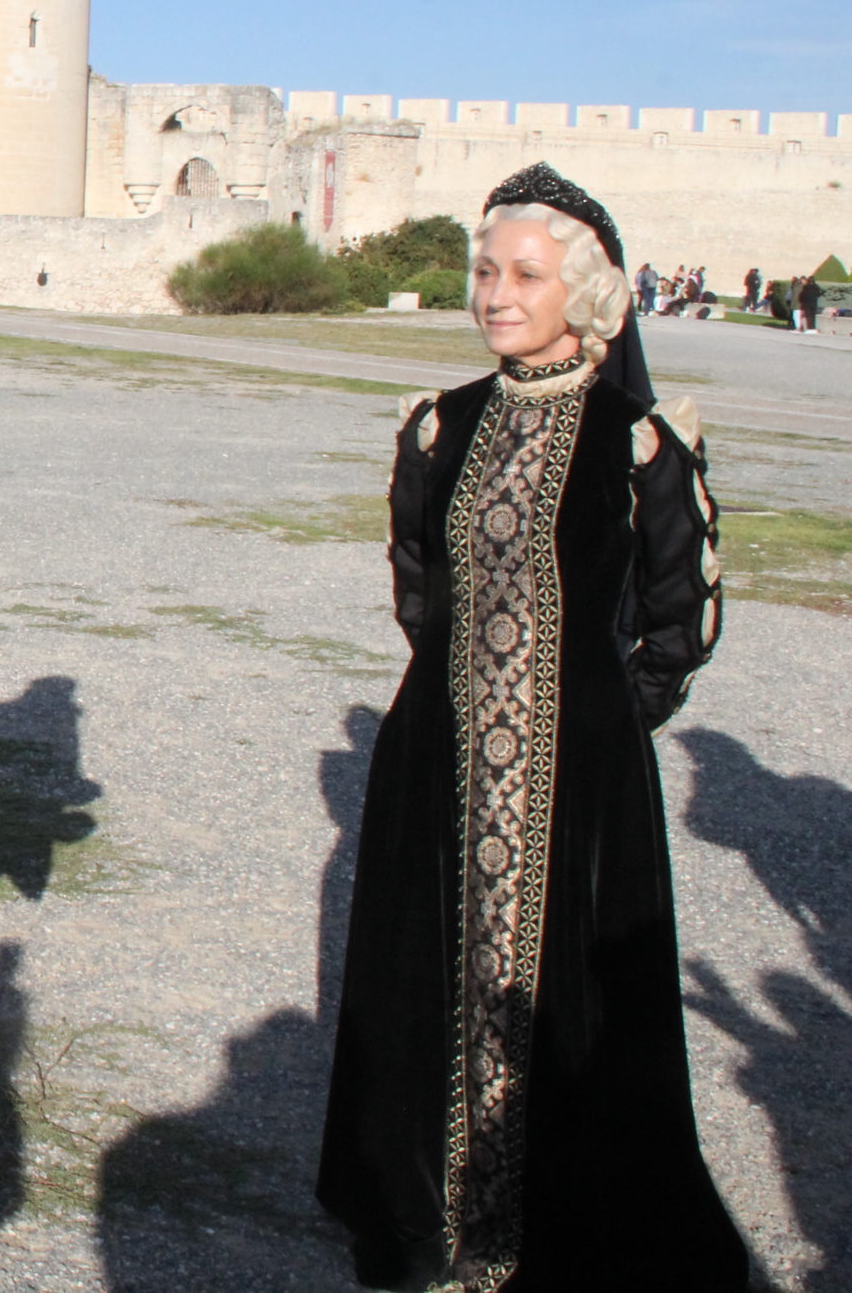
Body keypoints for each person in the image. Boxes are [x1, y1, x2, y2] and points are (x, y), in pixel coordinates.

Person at [318, 162, 744, 1291]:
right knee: (431, 977)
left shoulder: (639, 440)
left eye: (524, 274)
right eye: (483, 271)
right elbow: (420, 590)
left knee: (573, 1002)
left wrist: (599, 722)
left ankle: (550, 1228)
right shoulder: (437, 427)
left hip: (581, 772)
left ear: (586, 291)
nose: (496, 293)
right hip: (441, 755)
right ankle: (427, 1214)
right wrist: (466, 698)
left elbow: (678, 617)